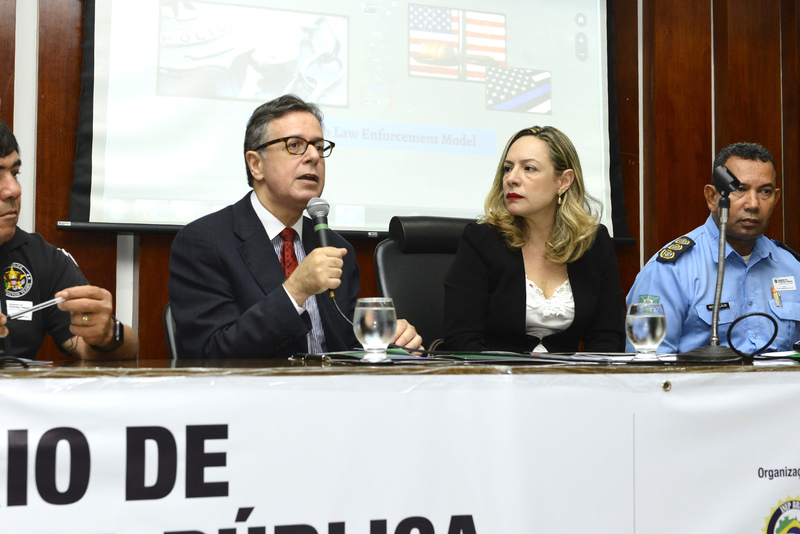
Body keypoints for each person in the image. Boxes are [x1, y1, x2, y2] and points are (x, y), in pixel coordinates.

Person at [168, 95, 422, 359]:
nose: (313, 156)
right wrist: (296, 290)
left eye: (319, 147)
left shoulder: (336, 247)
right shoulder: (204, 242)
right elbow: (209, 354)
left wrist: (387, 341)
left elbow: (347, 346)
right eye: (295, 145)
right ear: (256, 164)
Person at [442, 126, 625, 353]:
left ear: (564, 181)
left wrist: (583, 374)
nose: (511, 179)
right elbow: (462, 340)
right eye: (508, 168)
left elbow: (606, 337)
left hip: (572, 375)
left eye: (529, 168)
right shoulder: (481, 240)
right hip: (494, 373)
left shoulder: (592, 242)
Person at [626, 142, 800, 354]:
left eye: (765, 191)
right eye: (739, 189)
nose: (753, 204)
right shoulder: (670, 271)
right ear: (712, 197)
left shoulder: (792, 267)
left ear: (776, 198)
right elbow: (648, 363)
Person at [0, 120, 138, 360]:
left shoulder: (41, 257)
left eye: (15, 173)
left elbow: (123, 348)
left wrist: (107, 334)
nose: (14, 189)